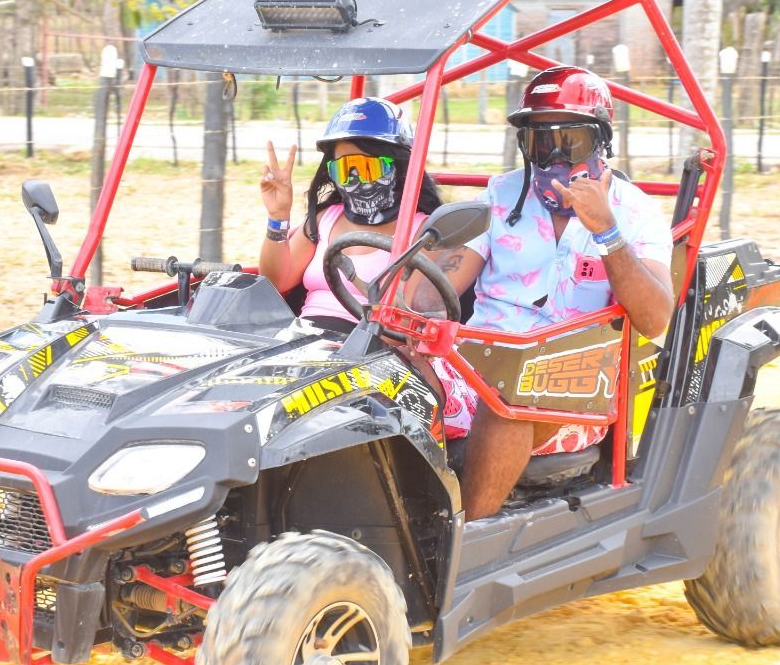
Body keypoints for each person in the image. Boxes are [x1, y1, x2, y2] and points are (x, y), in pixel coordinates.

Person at [414, 66, 676, 519]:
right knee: (392, 377)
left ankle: (466, 545)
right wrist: (412, 319)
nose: (554, 157)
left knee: (509, 401)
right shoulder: (502, 195)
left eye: (569, 141)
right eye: (540, 141)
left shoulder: (636, 215)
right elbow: (438, 287)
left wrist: (606, 232)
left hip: (575, 383)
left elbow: (656, 320)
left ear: (600, 142)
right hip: (480, 361)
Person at [258, 97, 482, 437]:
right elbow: (274, 281)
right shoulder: (326, 218)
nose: (354, 180)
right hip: (306, 343)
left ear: (399, 167)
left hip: (377, 350)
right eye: (342, 169)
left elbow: (411, 317)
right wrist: (277, 218)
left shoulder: (426, 232)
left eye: (367, 168)